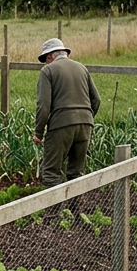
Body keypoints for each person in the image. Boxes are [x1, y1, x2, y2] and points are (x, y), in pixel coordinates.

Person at [32, 38, 101, 187]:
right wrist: (85, 118)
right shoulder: (82, 68)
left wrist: (38, 132)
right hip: (85, 124)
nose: (45, 62)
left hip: (61, 124)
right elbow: (96, 100)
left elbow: (44, 106)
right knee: (76, 173)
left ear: (50, 56)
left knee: (51, 172)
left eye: (45, 59)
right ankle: (74, 209)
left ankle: (54, 210)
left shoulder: (48, 70)